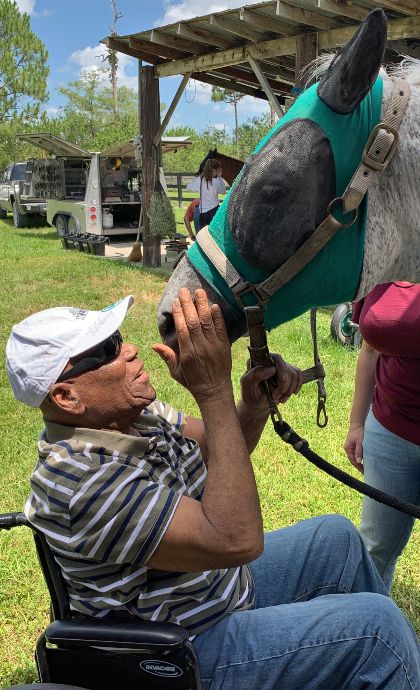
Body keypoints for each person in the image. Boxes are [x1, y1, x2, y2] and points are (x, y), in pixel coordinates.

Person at [6, 290, 420, 690]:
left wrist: (251, 406)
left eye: (117, 338)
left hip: (209, 594)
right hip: (181, 651)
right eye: (107, 350)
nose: (129, 349)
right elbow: (236, 539)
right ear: (66, 396)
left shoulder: (135, 417)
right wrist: (212, 390)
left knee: (338, 540)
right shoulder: (80, 482)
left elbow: (220, 447)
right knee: (377, 631)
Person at [344, 281, 420, 592]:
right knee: (375, 549)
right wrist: (356, 423)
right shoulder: (382, 263)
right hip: (389, 431)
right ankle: (369, 630)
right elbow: (370, 348)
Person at [186, 159, 226, 229]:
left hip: (203, 213)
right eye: (218, 170)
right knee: (214, 235)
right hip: (214, 211)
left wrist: (198, 178)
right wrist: (219, 177)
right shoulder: (217, 181)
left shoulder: (200, 180)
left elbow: (188, 187)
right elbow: (223, 191)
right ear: (215, 170)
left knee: (204, 236)